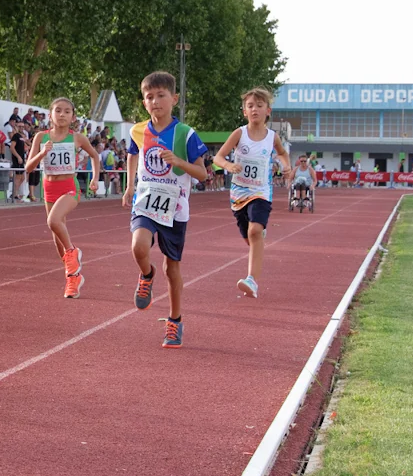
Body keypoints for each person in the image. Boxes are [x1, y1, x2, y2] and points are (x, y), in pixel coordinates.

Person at [122, 72, 208, 348]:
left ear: (174, 98)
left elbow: (203, 174)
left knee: (172, 267)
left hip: (175, 207)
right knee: (138, 246)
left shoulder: (186, 133)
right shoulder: (138, 130)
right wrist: (129, 185)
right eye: (149, 97)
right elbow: (133, 153)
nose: (155, 101)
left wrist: (178, 161)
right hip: (146, 202)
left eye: (161, 95)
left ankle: (174, 320)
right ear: (144, 102)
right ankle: (146, 275)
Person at [212, 88, 292, 299]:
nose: (254, 109)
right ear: (244, 111)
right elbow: (217, 157)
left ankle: (251, 281)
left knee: (255, 231)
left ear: (268, 111)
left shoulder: (272, 137)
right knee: (250, 238)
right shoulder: (239, 134)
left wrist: (285, 166)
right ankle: (257, 237)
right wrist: (228, 165)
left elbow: (282, 153)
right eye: (250, 106)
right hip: (238, 195)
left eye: (259, 105)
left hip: (261, 192)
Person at [26, 98, 100, 299]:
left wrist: (95, 177)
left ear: (73, 117)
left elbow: (95, 156)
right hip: (49, 187)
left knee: (53, 221)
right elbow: (28, 167)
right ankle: (73, 277)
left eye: (67, 111)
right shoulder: (41, 137)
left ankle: (72, 251)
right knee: (55, 232)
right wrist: (42, 153)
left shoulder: (77, 138)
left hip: (69, 187)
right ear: (50, 115)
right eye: (58, 111)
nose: (62, 114)